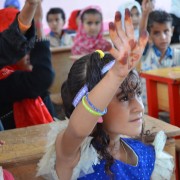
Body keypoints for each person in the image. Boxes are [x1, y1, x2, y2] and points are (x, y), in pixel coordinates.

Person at [37, 10, 174, 179]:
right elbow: (78, 129)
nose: (139, 107)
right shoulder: (74, 155)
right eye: (124, 98)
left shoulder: (144, 153)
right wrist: (115, 75)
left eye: (138, 93)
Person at [0, 1, 55, 130]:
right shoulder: (6, 81)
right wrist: (39, 22)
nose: (31, 52)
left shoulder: (36, 85)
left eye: (32, 43)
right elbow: (42, 78)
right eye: (23, 47)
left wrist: (31, 6)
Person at [140, 4, 180, 111]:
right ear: (149, 36)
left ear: (172, 31)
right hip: (149, 109)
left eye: (166, 31)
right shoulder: (146, 53)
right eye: (156, 33)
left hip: (172, 107)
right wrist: (144, 14)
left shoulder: (177, 55)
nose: (163, 37)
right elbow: (142, 35)